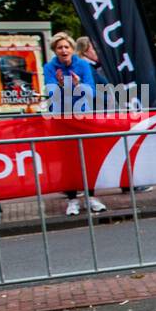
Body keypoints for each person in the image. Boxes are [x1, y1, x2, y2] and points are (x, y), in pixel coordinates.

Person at [43, 31, 104, 216]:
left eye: (66, 47)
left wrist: (77, 86)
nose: (63, 50)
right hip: (62, 117)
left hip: (83, 117)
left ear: (72, 49)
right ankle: (72, 199)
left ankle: (91, 196)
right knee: (68, 160)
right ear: (55, 50)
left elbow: (92, 92)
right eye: (59, 47)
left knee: (88, 158)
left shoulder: (83, 65)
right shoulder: (49, 67)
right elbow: (51, 91)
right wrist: (63, 86)